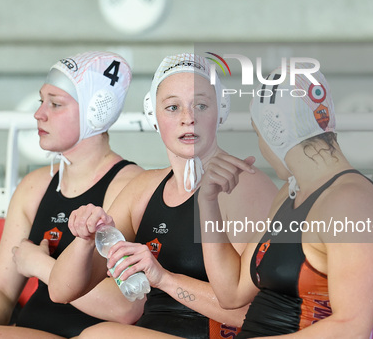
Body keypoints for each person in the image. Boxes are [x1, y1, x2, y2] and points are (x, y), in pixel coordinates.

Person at [0, 51, 145, 339]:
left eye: (55, 104)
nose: (39, 114)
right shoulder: (34, 188)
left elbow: (124, 307)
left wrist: (39, 264)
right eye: (41, 101)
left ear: (97, 111)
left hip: (85, 334)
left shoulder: (128, 186)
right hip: (28, 331)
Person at [48, 53, 278, 339]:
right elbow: (60, 291)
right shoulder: (143, 189)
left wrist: (164, 279)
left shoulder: (244, 186)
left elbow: (261, 313)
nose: (188, 119)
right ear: (152, 115)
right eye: (172, 107)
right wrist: (84, 240)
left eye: (201, 105)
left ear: (221, 110)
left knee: (100, 336)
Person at [197, 64, 373, 338]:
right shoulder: (288, 196)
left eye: (258, 134)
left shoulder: (351, 202)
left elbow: (352, 327)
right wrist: (208, 202)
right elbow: (232, 292)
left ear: (274, 131)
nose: (261, 148)